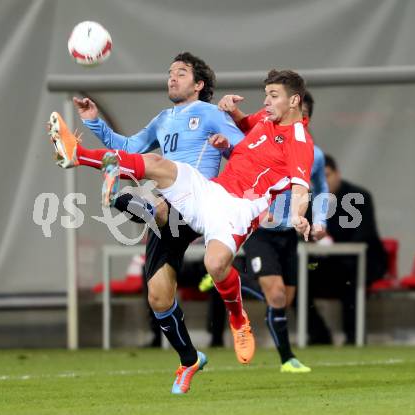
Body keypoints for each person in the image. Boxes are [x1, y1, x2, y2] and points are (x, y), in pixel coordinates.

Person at [48, 68, 314, 391]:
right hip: (211, 190)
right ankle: (79, 156)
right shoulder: (267, 117)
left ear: (294, 101)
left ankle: (238, 318)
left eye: (273, 96)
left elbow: (301, 188)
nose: (267, 101)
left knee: (215, 264)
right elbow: (246, 129)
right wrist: (234, 112)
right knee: (159, 165)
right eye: (267, 95)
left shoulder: (300, 141)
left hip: (239, 208)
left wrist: (300, 215)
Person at [68, 52, 245, 393]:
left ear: (199, 84)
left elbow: (242, 152)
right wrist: (93, 121)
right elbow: (127, 146)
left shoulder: (211, 114)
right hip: (168, 214)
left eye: (181, 73)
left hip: (199, 203)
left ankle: (112, 189)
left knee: (152, 168)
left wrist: (224, 148)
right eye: (169, 73)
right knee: (158, 298)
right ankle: (189, 359)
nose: (172, 78)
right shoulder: (163, 119)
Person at [215, 89, 328, 372]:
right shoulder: (267, 135)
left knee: (283, 300)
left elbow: (321, 188)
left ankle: (235, 274)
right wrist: (226, 148)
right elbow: (244, 164)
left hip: (288, 232)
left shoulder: (313, 154)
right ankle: (288, 359)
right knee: (276, 295)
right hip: (261, 229)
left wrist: (321, 221)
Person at [307, 154, 387, 345]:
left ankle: (354, 337)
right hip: (323, 266)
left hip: (359, 264)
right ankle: (318, 335)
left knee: (351, 279)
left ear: (337, 174)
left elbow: (364, 236)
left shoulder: (358, 197)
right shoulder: (308, 202)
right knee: (293, 280)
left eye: (326, 176)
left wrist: (331, 244)